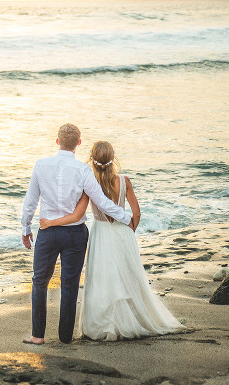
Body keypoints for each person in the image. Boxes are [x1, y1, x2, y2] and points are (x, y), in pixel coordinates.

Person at [40, 140, 185, 341]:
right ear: (113, 157)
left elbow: (78, 213)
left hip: (101, 233)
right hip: (123, 232)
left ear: (92, 159)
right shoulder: (124, 181)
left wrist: (50, 222)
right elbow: (137, 213)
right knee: (127, 276)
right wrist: (129, 231)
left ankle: (104, 324)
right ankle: (132, 319)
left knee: (103, 278)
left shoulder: (88, 182)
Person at [21, 124, 132, 345]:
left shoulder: (41, 166)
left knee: (40, 281)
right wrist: (127, 218)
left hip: (48, 232)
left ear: (57, 141)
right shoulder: (83, 171)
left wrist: (26, 229)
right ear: (79, 144)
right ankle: (65, 338)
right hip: (74, 235)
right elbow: (101, 202)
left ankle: (37, 336)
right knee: (69, 284)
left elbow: (30, 202)